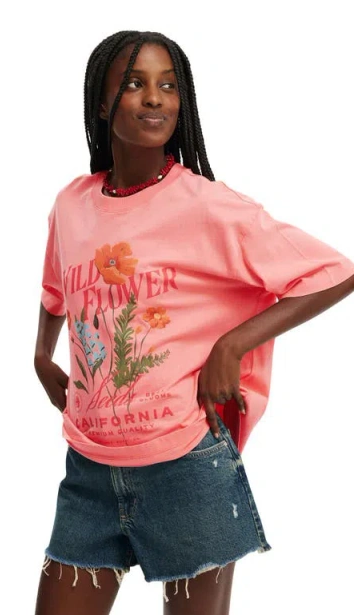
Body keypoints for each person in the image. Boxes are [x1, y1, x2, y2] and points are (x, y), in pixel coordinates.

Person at [34, 30, 354, 615]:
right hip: (88, 470)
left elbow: (333, 272)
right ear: (102, 104)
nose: (155, 98)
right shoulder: (71, 204)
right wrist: (39, 354)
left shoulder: (208, 205)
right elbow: (57, 288)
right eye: (135, 84)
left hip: (186, 465)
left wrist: (233, 344)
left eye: (168, 86)